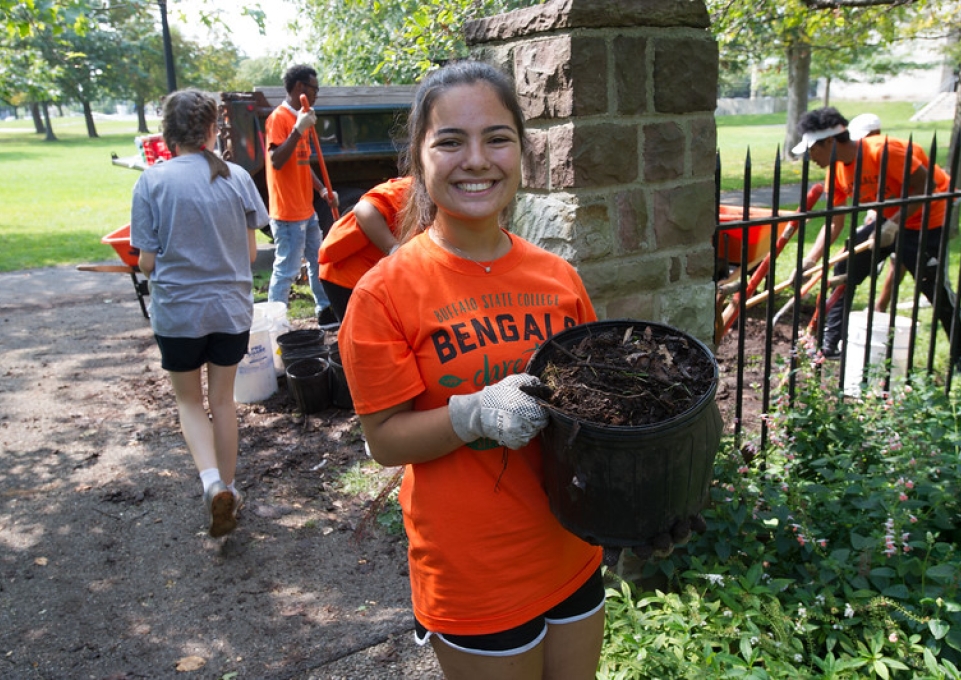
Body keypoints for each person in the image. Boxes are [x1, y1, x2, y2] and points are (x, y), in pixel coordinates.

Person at [339, 61, 606, 679]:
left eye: (497, 138)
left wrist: (644, 497)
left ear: (521, 151)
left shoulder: (558, 279)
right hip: (474, 573)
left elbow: (596, 407)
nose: (477, 160)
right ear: (419, 159)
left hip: (572, 550)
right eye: (451, 141)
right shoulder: (384, 293)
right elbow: (383, 440)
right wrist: (472, 413)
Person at [130, 89, 269, 538]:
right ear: (213, 130)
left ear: (166, 135)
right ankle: (228, 486)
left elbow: (147, 262)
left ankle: (212, 484)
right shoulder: (237, 178)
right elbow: (249, 254)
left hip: (179, 314)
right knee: (223, 402)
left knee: (190, 401)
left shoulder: (152, 182)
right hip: (230, 310)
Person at [792, 106, 960, 363]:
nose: (810, 158)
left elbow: (927, 186)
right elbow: (834, 222)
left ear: (828, 142)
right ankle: (828, 346)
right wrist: (811, 260)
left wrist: (892, 225)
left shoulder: (883, 151)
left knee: (935, 290)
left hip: (927, 221)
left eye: (812, 150)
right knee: (845, 270)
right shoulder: (835, 171)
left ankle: (959, 357)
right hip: (888, 218)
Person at [265, 64, 339, 326]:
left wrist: (322, 190)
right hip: (287, 213)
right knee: (286, 270)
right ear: (300, 88)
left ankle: (325, 311)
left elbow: (302, 163)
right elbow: (275, 160)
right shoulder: (280, 119)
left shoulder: (302, 118)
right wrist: (297, 129)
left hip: (306, 210)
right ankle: (275, 322)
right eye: (314, 88)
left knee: (317, 262)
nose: (317, 94)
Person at [318, 176, 412, 321]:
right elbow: (364, 209)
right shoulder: (409, 190)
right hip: (346, 269)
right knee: (367, 336)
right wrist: (394, 249)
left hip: (378, 274)